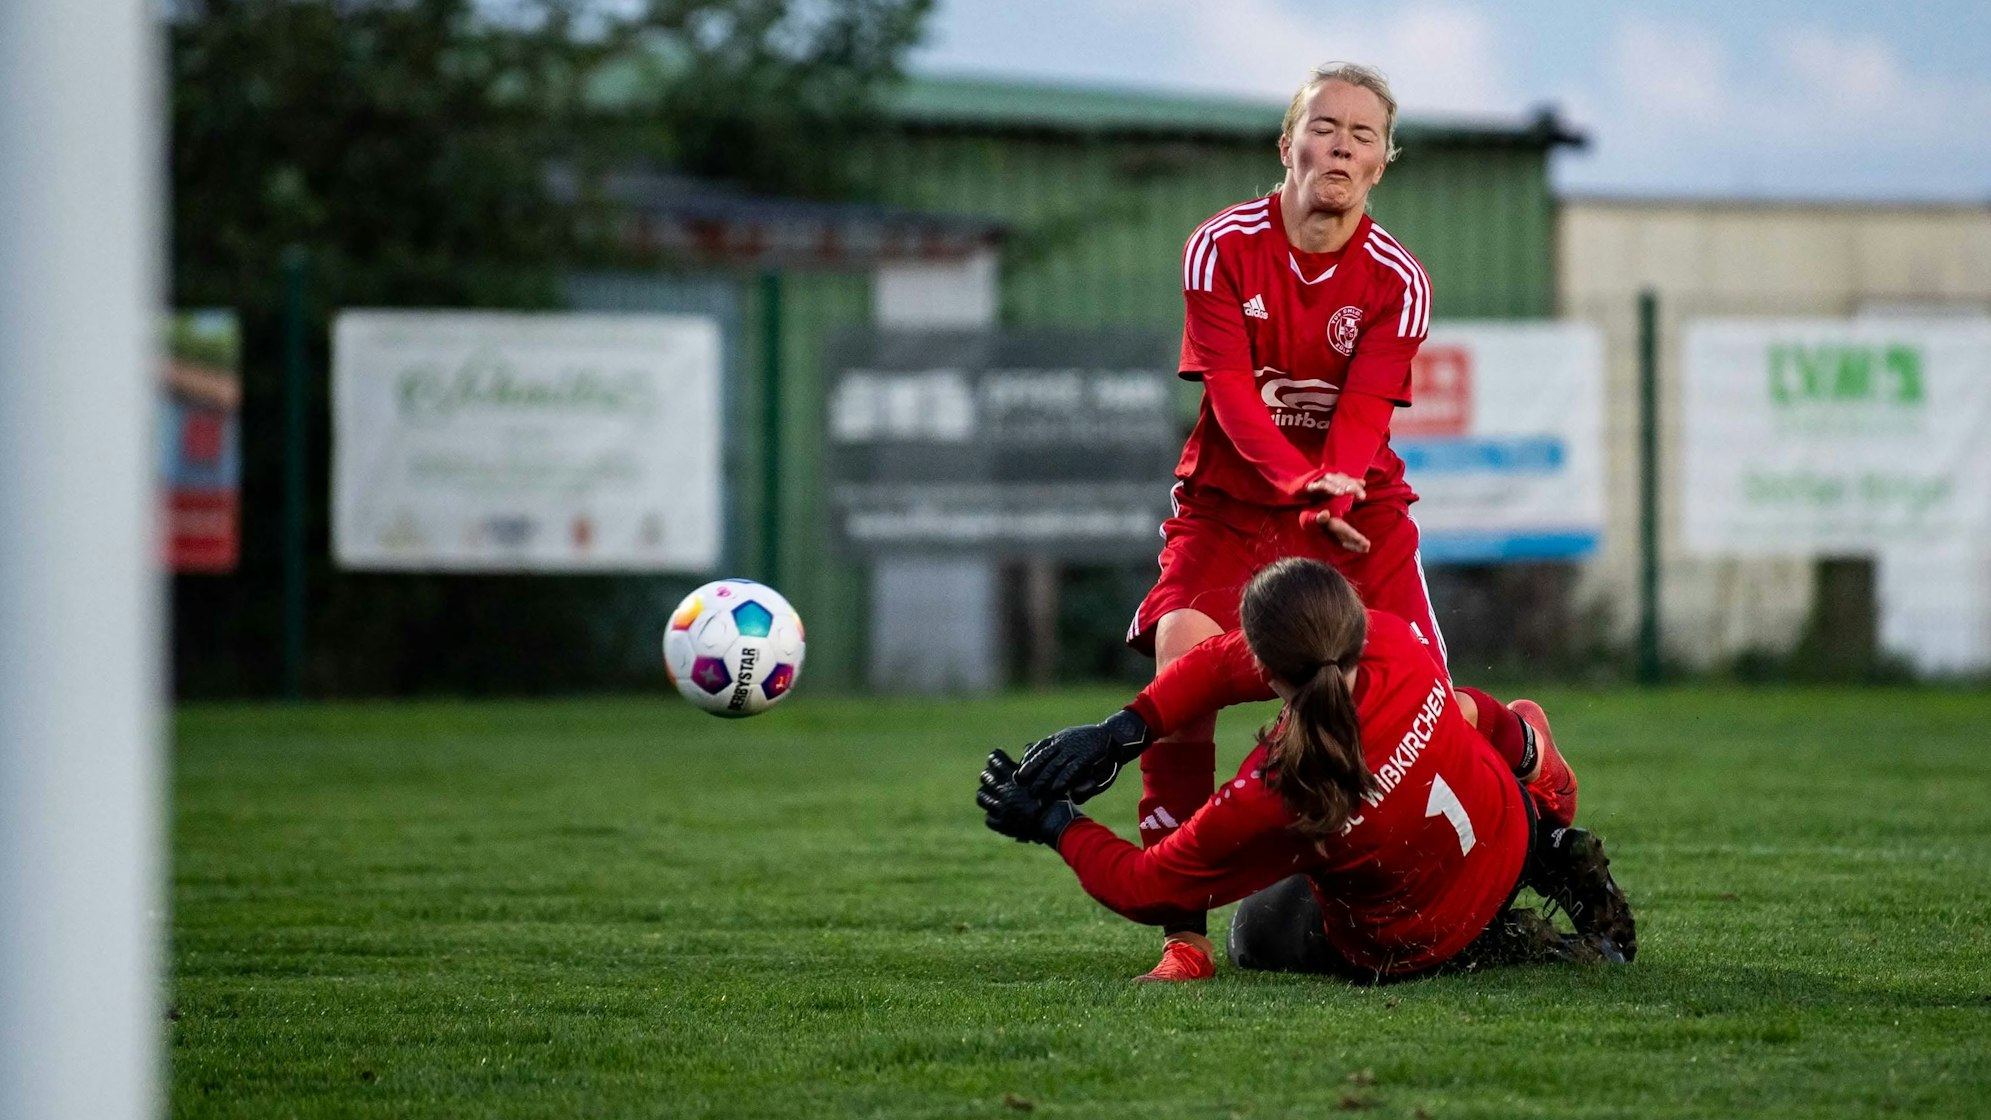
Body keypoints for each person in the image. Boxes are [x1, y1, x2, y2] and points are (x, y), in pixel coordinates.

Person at [1125, 61, 1576, 980]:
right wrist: (1301, 485)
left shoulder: (1396, 278)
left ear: (1380, 166)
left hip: (1354, 505)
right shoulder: (1219, 246)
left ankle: (1524, 745)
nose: (1340, 144)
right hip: (1233, 507)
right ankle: (1180, 935)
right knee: (1183, 655)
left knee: (1417, 715)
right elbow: (1234, 405)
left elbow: (1365, 417)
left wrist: (1331, 485)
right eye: (1323, 126)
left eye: (1362, 135)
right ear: (1287, 143)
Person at [979, 558, 1636, 982]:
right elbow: (1212, 666)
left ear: (1265, 673)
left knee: (1252, 935)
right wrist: (1125, 730)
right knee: (1460, 717)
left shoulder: (1280, 786)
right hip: (1509, 828)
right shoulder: (1390, 637)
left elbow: (1147, 885)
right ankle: (1552, 842)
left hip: (1415, 939)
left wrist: (1051, 821)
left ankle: (1511, 941)